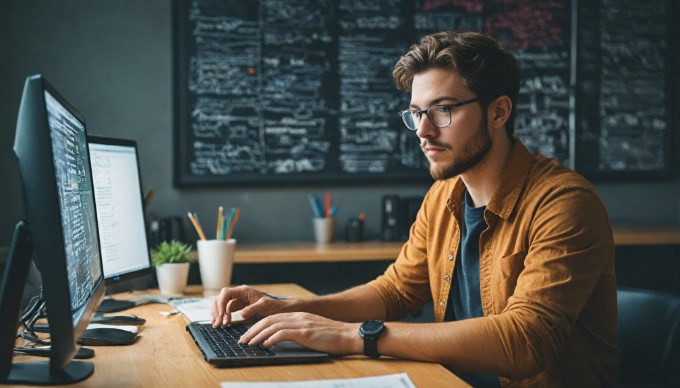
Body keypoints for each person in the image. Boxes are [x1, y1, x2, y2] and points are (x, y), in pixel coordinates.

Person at [211, 31, 618, 387]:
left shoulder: (564, 203)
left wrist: (355, 335)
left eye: (443, 110)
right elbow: (394, 291)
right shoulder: (444, 196)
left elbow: (525, 341)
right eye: (417, 113)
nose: (423, 130)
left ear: (499, 111)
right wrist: (289, 310)